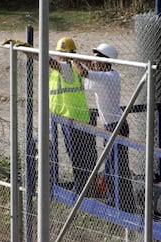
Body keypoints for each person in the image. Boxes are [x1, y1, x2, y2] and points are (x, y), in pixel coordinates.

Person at [72, 43, 136, 212]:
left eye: (97, 60)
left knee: (116, 165)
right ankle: (114, 199)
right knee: (110, 165)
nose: (94, 63)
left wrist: (74, 59)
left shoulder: (109, 77)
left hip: (117, 126)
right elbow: (89, 74)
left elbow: (84, 72)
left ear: (106, 62)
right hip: (110, 126)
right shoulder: (102, 76)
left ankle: (120, 203)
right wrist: (85, 60)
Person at [49, 37, 97, 195]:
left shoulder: (67, 68)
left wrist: (30, 52)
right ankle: (85, 186)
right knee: (80, 156)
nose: (58, 57)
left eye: (60, 54)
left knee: (77, 156)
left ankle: (82, 188)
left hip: (73, 118)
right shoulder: (68, 67)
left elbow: (49, 62)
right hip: (72, 117)